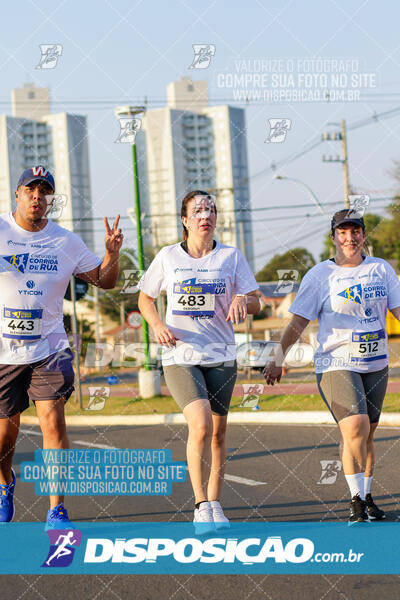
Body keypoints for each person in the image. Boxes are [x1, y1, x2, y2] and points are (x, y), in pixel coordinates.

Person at [0, 166, 123, 528]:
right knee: (5, 434)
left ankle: (56, 508)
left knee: (53, 422)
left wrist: (111, 254)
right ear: (18, 194)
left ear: (51, 199)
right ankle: (5, 482)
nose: (38, 196)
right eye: (31, 189)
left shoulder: (66, 242)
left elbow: (104, 281)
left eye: (45, 191)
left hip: (50, 347)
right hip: (4, 352)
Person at [263, 208, 400, 523]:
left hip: (375, 362)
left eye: (355, 232)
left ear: (363, 235)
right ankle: (354, 499)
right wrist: (278, 358)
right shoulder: (320, 275)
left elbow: (398, 310)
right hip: (335, 361)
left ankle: (366, 496)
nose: (349, 238)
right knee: (356, 426)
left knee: (366, 435)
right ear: (333, 237)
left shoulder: (381, 270)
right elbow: (298, 322)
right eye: (343, 232)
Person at [138, 190, 260, 532]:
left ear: (216, 218)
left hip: (221, 355)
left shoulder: (231, 257)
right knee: (202, 425)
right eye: (197, 210)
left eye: (210, 210)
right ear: (185, 220)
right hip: (181, 354)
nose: (205, 215)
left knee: (219, 433)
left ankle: (216, 504)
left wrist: (241, 299)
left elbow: (257, 303)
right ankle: (200, 503)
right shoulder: (168, 257)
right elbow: (145, 298)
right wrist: (158, 325)